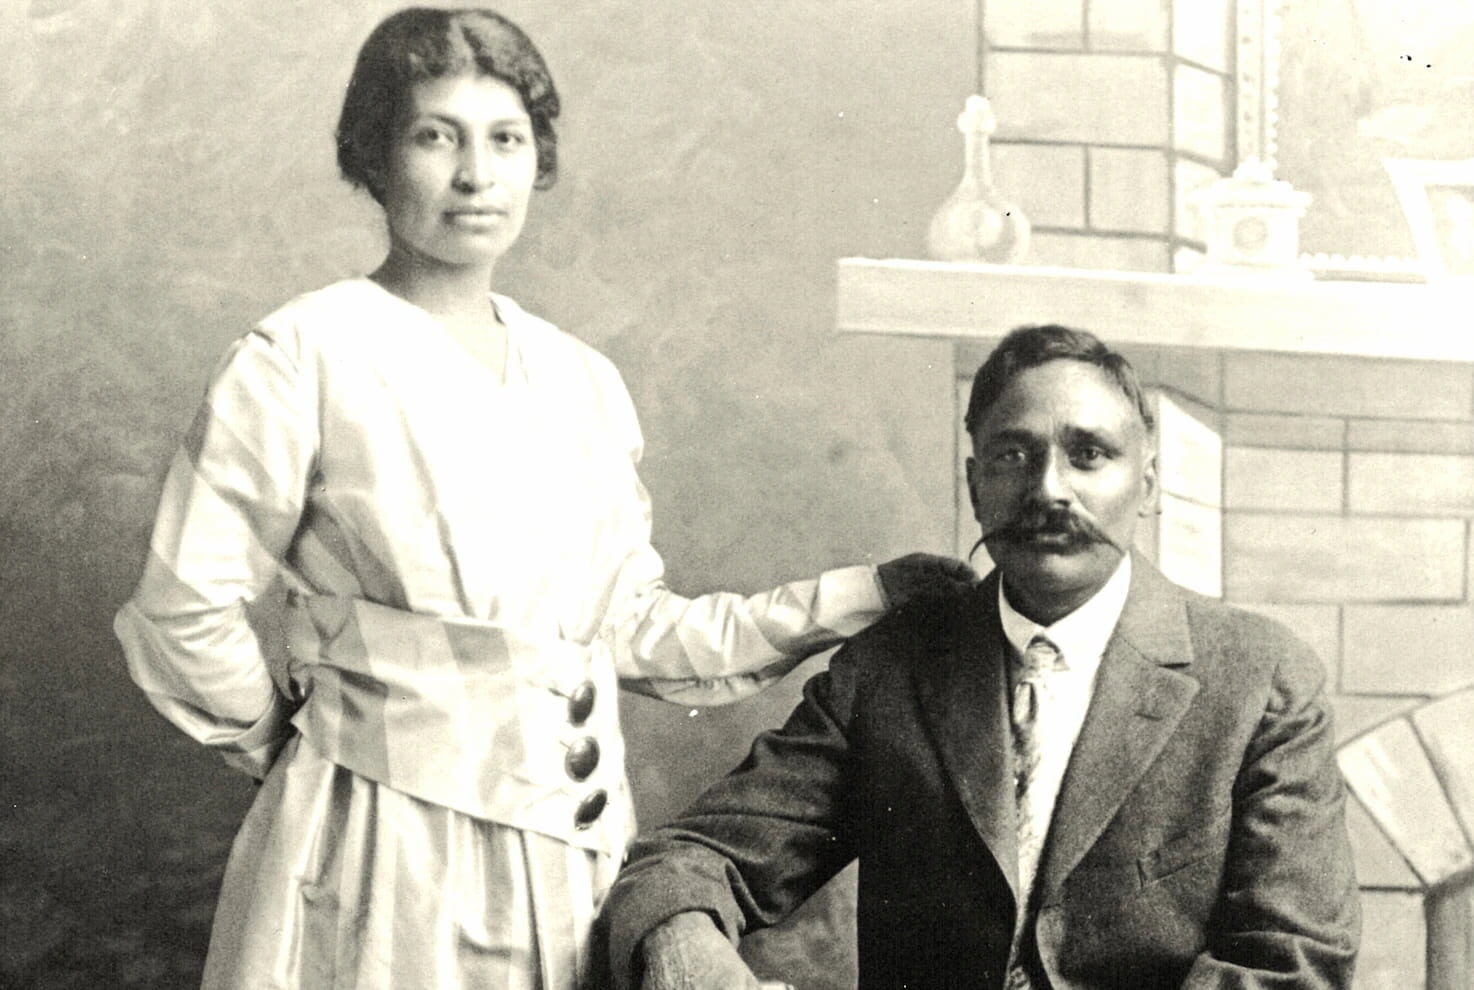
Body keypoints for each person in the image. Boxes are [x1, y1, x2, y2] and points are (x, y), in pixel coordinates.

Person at [111, 8, 973, 989]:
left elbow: (629, 632)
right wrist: (309, 750)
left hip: (570, 861)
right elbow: (182, 612)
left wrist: (867, 594)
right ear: (372, 157)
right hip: (382, 861)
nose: (476, 176)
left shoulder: (580, 382)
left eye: (506, 140)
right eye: (436, 137)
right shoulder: (304, 356)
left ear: (538, 160)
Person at [603, 325, 1361, 989]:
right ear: (974, 482)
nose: (1049, 490)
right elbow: (693, 858)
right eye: (1013, 456)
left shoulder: (1259, 679)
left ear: (1149, 482)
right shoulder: (892, 671)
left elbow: (1293, 959)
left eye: (1089, 455)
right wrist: (688, 955)